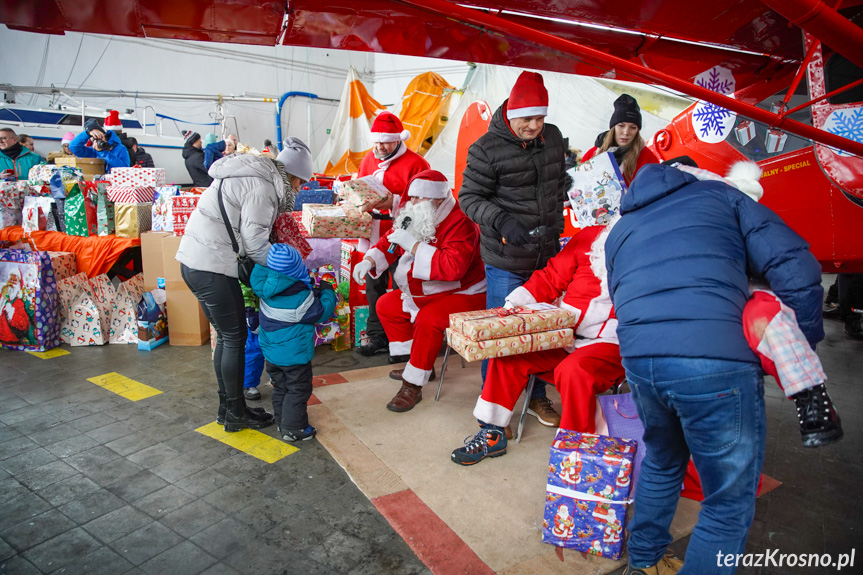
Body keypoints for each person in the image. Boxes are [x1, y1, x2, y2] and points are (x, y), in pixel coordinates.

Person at [605, 159, 825, 575]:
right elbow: (796, 268)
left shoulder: (619, 231)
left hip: (640, 360)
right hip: (715, 362)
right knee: (726, 502)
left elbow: (622, 297)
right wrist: (799, 349)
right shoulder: (721, 196)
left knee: (662, 459)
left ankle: (643, 563)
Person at [451, 197, 623, 466]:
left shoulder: (652, 256)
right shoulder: (590, 237)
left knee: (573, 371)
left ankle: (572, 451)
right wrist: (514, 305)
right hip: (563, 334)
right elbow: (551, 276)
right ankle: (492, 433)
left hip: (610, 343)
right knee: (508, 351)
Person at [175, 137, 313, 432]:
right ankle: (235, 413)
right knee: (234, 339)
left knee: (227, 339)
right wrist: (288, 271)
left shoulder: (251, 175)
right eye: (301, 183)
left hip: (195, 262)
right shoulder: (262, 187)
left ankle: (229, 409)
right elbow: (254, 243)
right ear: (289, 176)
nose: (300, 190)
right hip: (211, 266)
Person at [459, 70, 567, 428]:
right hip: (506, 258)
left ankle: (536, 397)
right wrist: (502, 221)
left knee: (541, 332)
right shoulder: (486, 149)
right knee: (502, 334)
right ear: (511, 113)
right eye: (527, 118)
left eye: (540, 118)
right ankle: (494, 408)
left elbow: (555, 185)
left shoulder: (552, 139)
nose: (534, 126)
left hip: (546, 255)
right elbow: (469, 197)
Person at [352, 170, 486, 412]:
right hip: (429, 290)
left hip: (465, 292)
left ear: (435, 200)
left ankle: (412, 385)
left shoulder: (461, 224)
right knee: (386, 305)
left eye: (417, 198)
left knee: (429, 319)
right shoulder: (419, 214)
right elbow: (391, 241)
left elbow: (453, 268)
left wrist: (413, 245)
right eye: (410, 197)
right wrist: (370, 260)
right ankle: (420, 363)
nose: (410, 203)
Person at [354, 112, 430, 361]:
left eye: (385, 142)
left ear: (398, 139)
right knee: (373, 285)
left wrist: (393, 201)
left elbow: (426, 203)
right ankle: (378, 336)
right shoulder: (368, 159)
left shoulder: (417, 163)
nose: (379, 147)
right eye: (376, 142)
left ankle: (404, 338)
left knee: (402, 285)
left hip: (403, 233)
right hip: (374, 232)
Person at [251, 244, 337, 441]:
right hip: (295, 356)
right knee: (298, 389)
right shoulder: (302, 299)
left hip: (272, 354)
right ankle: (294, 428)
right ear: (297, 271)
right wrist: (326, 290)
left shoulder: (266, 291)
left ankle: (282, 421)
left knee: (281, 387)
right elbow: (323, 310)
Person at [581, 94, 659, 186]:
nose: (626, 132)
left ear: (637, 131)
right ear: (613, 128)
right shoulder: (593, 153)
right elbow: (581, 186)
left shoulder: (648, 158)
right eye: (621, 126)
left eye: (633, 127)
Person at [240, 283, 265, 401]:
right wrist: (249, 311)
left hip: (277, 309)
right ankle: (249, 384)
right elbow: (244, 286)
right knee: (254, 349)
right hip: (255, 311)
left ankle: (277, 380)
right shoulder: (247, 264)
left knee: (278, 349)